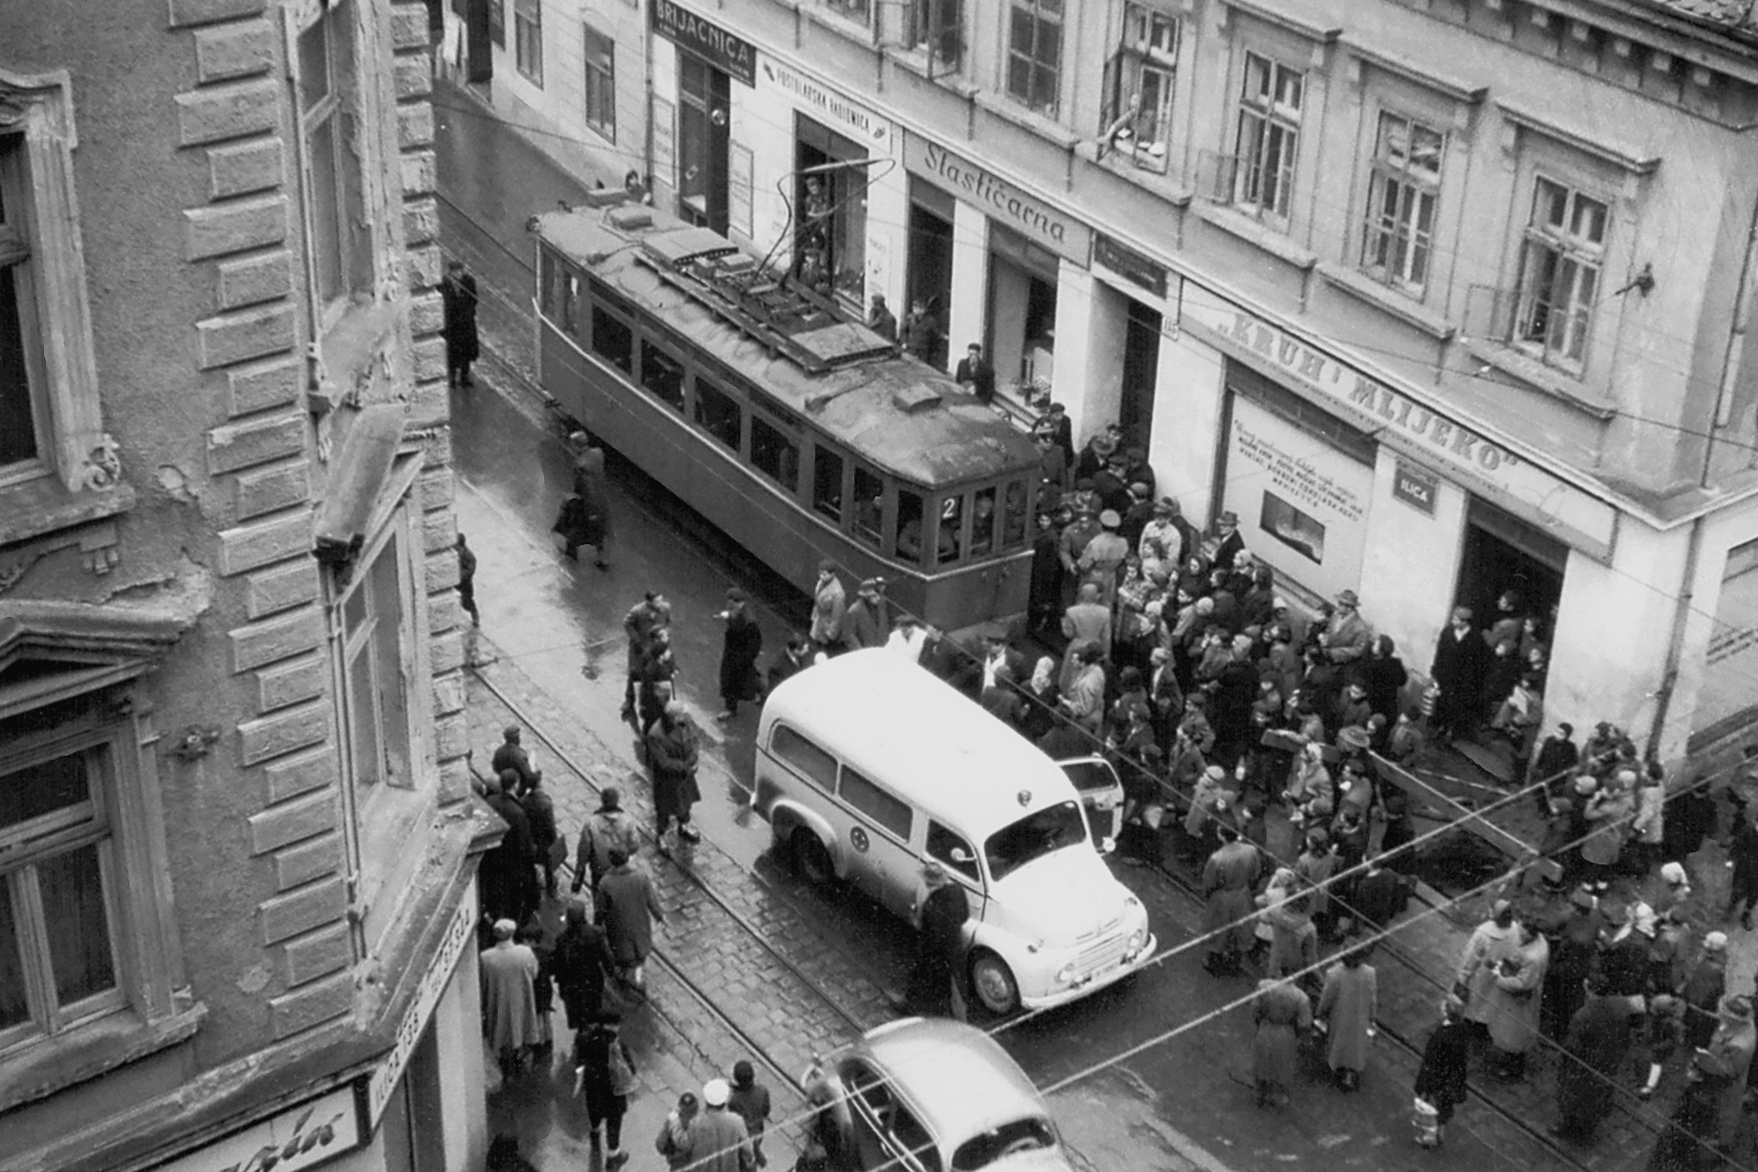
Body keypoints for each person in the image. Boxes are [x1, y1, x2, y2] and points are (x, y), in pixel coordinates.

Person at [1551, 978, 1632, 1142]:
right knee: (1596, 1097)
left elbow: (1572, 1045)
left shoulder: (1584, 1015)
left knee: (1574, 1096)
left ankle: (1571, 1127)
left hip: (1584, 1065)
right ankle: (1587, 1128)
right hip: (1607, 1061)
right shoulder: (1618, 1007)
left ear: (1589, 990)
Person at [895, 860, 970, 1016]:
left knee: (921, 980)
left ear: (929, 883)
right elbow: (964, 916)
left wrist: (915, 918)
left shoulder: (932, 905)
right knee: (955, 988)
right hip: (954, 950)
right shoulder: (958, 891)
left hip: (933, 952)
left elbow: (927, 930)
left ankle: (910, 1008)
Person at [480, 919, 541, 1079]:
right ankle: (517, 1058)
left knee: (500, 1031)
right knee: (519, 1030)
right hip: (520, 1001)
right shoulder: (525, 953)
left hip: (496, 1002)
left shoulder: (485, 958)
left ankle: (504, 1063)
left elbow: (482, 983)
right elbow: (534, 973)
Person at [597, 847, 664, 991]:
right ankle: (638, 978)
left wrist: (597, 924)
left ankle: (624, 977)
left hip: (619, 931)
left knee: (623, 958)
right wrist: (658, 915)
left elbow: (600, 910)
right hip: (640, 928)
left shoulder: (606, 883)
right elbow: (651, 900)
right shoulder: (640, 876)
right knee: (640, 958)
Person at [576, 1012, 637, 1168]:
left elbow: (579, 1060)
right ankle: (613, 1155)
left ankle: (594, 1129)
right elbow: (631, 1069)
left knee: (593, 1108)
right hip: (612, 1092)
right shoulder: (617, 1046)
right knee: (614, 1121)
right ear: (611, 1026)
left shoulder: (586, 1038)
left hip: (593, 1087)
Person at [480, 772, 540, 926]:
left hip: (491, 863)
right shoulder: (518, 813)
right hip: (512, 868)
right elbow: (525, 847)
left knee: (495, 901)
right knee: (511, 905)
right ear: (516, 785)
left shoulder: (490, 801)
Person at [1201, 823, 1261, 976]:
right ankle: (1234, 963)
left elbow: (1209, 882)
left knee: (1218, 930)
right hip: (1242, 894)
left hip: (1222, 898)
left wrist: (1208, 895)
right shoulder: (1251, 850)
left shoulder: (1217, 858)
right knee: (1240, 930)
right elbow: (1255, 872)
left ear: (1221, 836)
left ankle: (1214, 963)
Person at [1413, 995, 1471, 1149]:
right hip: (1451, 1081)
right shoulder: (1462, 1029)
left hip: (1436, 1081)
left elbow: (1431, 1062)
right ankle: (1440, 1134)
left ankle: (1430, 1139)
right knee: (1444, 1111)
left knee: (1432, 1112)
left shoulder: (1441, 1036)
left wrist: (1423, 1085)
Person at [1317, 948, 1378, 1091]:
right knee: (1356, 1044)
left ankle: (1336, 1065)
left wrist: (1321, 1012)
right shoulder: (1369, 973)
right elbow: (1372, 998)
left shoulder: (1334, 974)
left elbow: (1327, 997)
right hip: (1360, 1014)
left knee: (1338, 1039)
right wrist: (1372, 1016)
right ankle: (1350, 1072)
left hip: (1340, 1013)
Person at [1429, 606, 1488, 742]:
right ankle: (1441, 728)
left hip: (1463, 680)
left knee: (1457, 706)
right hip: (1446, 676)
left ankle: (1452, 731)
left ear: (1465, 622)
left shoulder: (1475, 638)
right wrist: (1436, 671)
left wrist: (1472, 680)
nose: (1453, 621)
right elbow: (1440, 653)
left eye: (1456, 619)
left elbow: (1479, 662)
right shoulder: (1448, 632)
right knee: (1443, 702)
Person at [1252, 978, 1312, 1109]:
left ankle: (1260, 1092)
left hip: (1266, 1026)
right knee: (1282, 1064)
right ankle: (1276, 1095)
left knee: (1262, 1059)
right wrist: (1299, 1035)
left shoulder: (1264, 986)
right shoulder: (1300, 997)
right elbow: (1305, 1023)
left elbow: (1255, 1008)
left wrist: (1259, 1022)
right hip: (1286, 1031)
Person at [648, 702, 703, 843]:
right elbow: (664, 762)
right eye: (681, 715)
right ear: (672, 718)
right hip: (667, 780)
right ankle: (661, 834)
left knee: (685, 804)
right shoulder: (656, 734)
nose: (685, 717)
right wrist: (685, 766)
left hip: (685, 776)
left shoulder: (687, 721)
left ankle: (684, 826)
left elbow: (695, 738)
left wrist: (694, 757)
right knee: (664, 809)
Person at [552, 898, 612, 1027]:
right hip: (592, 980)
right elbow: (606, 956)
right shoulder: (596, 933)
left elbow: (558, 965)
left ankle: (582, 1033)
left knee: (577, 1015)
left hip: (571, 985)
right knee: (594, 1008)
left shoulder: (562, 938)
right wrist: (610, 970)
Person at [573, 786, 642, 899]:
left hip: (600, 869)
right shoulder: (627, 821)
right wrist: (624, 853)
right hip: (622, 868)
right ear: (617, 800)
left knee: (600, 898)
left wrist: (580, 867)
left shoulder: (591, 823)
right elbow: (635, 844)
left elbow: (584, 850)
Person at [560, 441, 613, 570]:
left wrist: (589, 512)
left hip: (588, 505)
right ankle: (603, 561)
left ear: (577, 446)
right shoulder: (598, 453)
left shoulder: (580, 467)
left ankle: (571, 556)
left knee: (575, 530)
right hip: (603, 500)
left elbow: (586, 490)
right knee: (601, 532)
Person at [620, 593, 672, 725]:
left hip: (656, 647)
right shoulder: (638, 611)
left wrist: (664, 636)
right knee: (635, 673)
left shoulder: (665, 608)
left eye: (661, 600)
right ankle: (629, 700)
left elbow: (668, 622)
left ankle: (655, 703)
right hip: (641, 647)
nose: (660, 604)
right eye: (656, 602)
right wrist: (637, 640)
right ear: (648, 602)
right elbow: (627, 623)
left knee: (656, 675)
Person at [715, 588, 764, 721]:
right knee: (745, 677)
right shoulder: (740, 612)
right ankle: (761, 690)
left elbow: (754, 643)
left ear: (736, 602)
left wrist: (745, 659)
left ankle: (730, 709)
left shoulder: (749, 621)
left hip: (739, 656)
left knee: (732, 680)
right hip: (734, 654)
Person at [688, 1078, 755, 1172]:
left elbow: (686, 1146)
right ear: (725, 1100)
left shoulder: (696, 1122)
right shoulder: (736, 1121)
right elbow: (746, 1148)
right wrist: (750, 1160)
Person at [520, 771, 561, 896]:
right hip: (544, 839)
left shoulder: (524, 801)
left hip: (532, 837)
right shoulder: (545, 803)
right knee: (548, 864)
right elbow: (550, 825)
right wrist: (555, 840)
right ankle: (550, 889)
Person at [726, 1060, 772, 1168]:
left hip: (744, 1139)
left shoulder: (734, 1100)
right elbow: (766, 1111)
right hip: (758, 1132)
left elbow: (735, 1124)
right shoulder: (762, 1091)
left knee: (743, 1162)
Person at [441, 258, 479, 387]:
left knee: (466, 352)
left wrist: (468, 312)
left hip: (466, 323)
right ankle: (451, 378)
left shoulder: (468, 282)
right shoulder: (444, 284)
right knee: (452, 353)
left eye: (460, 271)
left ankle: (464, 377)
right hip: (451, 324)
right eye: (455, 272)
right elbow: (444, 303)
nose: (458, 274)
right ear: (451, 272)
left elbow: (474, 299)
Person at [809, 560, 846, 655]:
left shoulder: (838, 593)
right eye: (820, 573)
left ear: (832, 574)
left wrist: (831, 634)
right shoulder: (821, 582)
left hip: (826, 628)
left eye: (824, 574)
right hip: (819, 622)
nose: (821, 576)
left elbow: (837, 616)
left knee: (824, 651)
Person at [656, 1092, 700, 1171]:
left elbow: (660, 1144)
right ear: (696, 1108)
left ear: (680, 1106)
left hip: (677, 1163)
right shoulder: (702, 1122)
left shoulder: (672, 1121)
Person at [491, 725, 541, 793]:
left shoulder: (499, 752)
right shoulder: (520, 756)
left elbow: (495, 767)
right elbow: (529, 778)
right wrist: (538, 774)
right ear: (516, 739)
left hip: (505, 784)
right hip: (518, 789)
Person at [844, 578, 891, 651]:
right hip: (865, 652)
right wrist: (860, 652)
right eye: (874, 596)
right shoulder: (854, 611)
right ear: (866, 596)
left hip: (882, 649)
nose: (878, 598)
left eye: (879, 595)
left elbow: (884, 624)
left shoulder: (882, 604)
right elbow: (849, 635)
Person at [455, 532, 480, 626]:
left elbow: (470, 570)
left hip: (465, 584)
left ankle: (475, 616)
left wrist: (458, 575)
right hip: (455, 583)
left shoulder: (469, 557)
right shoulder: (454, 553)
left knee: (467, 602)